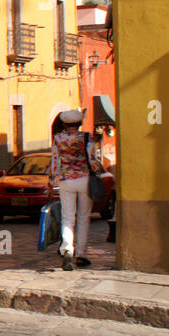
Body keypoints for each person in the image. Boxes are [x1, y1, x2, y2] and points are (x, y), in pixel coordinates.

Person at [49, 108, 105, 270]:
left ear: (65, 124)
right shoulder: (87, 137)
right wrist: (98, 170)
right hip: (84, 179)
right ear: (79, 123)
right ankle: (81, 254)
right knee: (83, 217)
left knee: (68, 217)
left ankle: (67, 249)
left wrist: (52, 179)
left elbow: (54, 160)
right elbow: (93, 160)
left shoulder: (58, 138)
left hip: (66, 180)